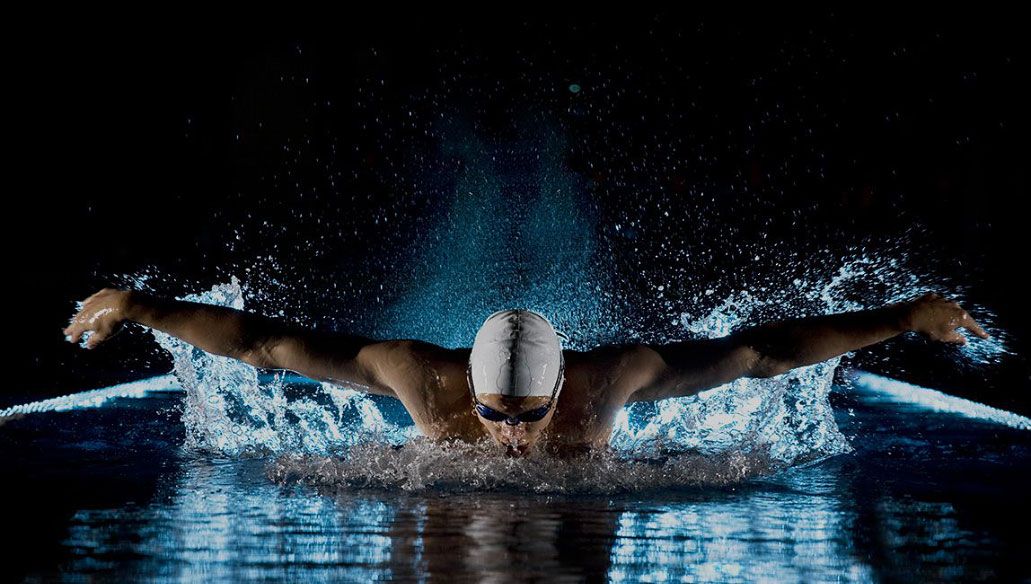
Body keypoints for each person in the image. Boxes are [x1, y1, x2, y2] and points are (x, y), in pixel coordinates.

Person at [63, 289, 989, 456]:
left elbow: (758, 355)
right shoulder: (418, 379)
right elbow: (266, 345)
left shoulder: (610, 383)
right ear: (464, 385)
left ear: (560, 391)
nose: (507, 435)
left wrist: (905, 319)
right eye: (494, 414)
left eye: (525, 416)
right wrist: (139, 307)